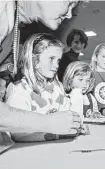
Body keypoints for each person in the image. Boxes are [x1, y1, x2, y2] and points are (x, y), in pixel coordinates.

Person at [0, 0, 84, 152]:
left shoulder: (14, 25)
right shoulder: (2, 13)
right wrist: (47, 123)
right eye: (69, 2)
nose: (70, 13)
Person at [5, 33, 87, 142]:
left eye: (58, 60)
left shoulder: (57, 88)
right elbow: (18, 133)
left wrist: (75, 125)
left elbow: (66, 113)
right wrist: (56, 134)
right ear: (35, 61)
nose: (56, 65)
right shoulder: (19, 89)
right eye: (51, 59)